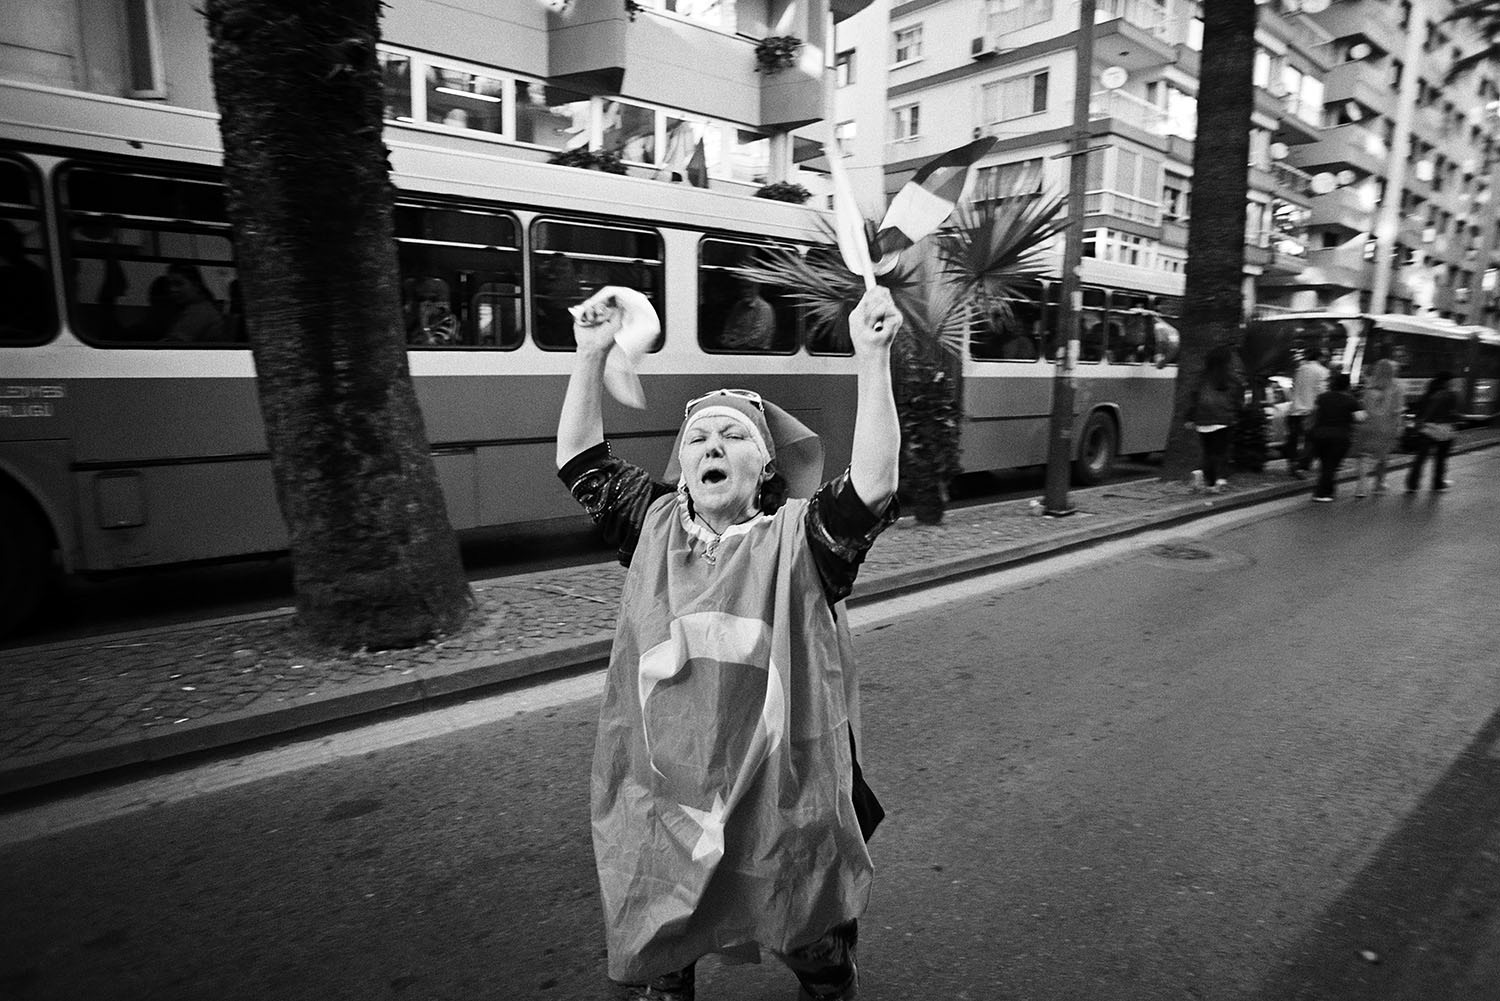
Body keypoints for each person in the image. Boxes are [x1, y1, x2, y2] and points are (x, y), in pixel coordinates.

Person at [555, 285, 902, 1001]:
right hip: (669, 799)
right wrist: (590, 354)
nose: (712, 444)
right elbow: (581, 461)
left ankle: (828, 977)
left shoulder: (804, 540)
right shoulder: (650, 524)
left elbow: (872, 485)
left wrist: (873, 357)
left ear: (766, 466)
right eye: (698, 438)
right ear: (682, 464)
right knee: (661, 942)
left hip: (781, 796)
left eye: (734, 436)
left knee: (809, 932)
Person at [1183, 344, 1242, 494]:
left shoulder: (1201, 377)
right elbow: (1237, 399)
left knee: (1208, 451)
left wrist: (1189, 417)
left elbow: (1194, 397)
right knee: (1221, 452)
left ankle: (1206, 479)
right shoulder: (1231, 378)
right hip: (1224, 419)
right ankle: (1218, 481)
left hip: (1202, 420)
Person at [1308, 371, 1366, 502]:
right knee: (1332, 465)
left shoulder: (1322, 397)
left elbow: (1314, 413)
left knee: (1325, 464)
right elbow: (1360, 418)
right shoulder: (1351, 400)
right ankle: (1322, 493)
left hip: (1319, 435)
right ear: (1347, 386)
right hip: (1340, 436)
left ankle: (1328, 490)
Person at [1352, 358, 1403, 496]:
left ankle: (1361, 487)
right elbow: (1397, 410)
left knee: (1364, 455)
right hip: (1387, 427)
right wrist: (1399, 426)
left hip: (1368, 425)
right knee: (1382, 456)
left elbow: (1363, 406)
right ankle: (1379, 484)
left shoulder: (1369, 386)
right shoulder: (1396, 387)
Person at [1405, 371, 1460, 493]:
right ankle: (1437, 483)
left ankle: (1412, 484)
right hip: (1444, 431)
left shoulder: (1428, 393)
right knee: (1441, 459)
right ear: (1447, 382)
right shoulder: (1449, 395)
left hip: (1426, 430)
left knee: (1420, 458)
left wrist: (1417, 426)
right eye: (1452, 381)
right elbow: (1452, 413)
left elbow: (1421, 412)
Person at [1285, 347, 1329, 479]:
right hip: (1311, 410)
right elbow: (1323, 391)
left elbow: (1294, 387)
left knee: (1294, 438)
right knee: (1311, 439)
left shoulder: (1299, 370)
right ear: (1320, 357)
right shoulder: (1323, 371)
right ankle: (1301, 464)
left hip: (1294, 409)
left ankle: (1293, 463)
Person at [160, 263, 225, 343]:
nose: (172, 289)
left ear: (196, 286)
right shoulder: (191, 308)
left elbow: (173, 344)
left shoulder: (200, 311)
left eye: (178, 284)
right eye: (170, 284)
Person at [718, 277, 775, 350]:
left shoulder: (764, 308)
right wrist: (724, 338)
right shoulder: (738, 306)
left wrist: (736, 342)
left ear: (757, 288)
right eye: (742, 287)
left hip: (756, 352)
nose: (745, 291)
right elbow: (728, 328)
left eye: (749, 287)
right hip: (733, 350)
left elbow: (757, 338)